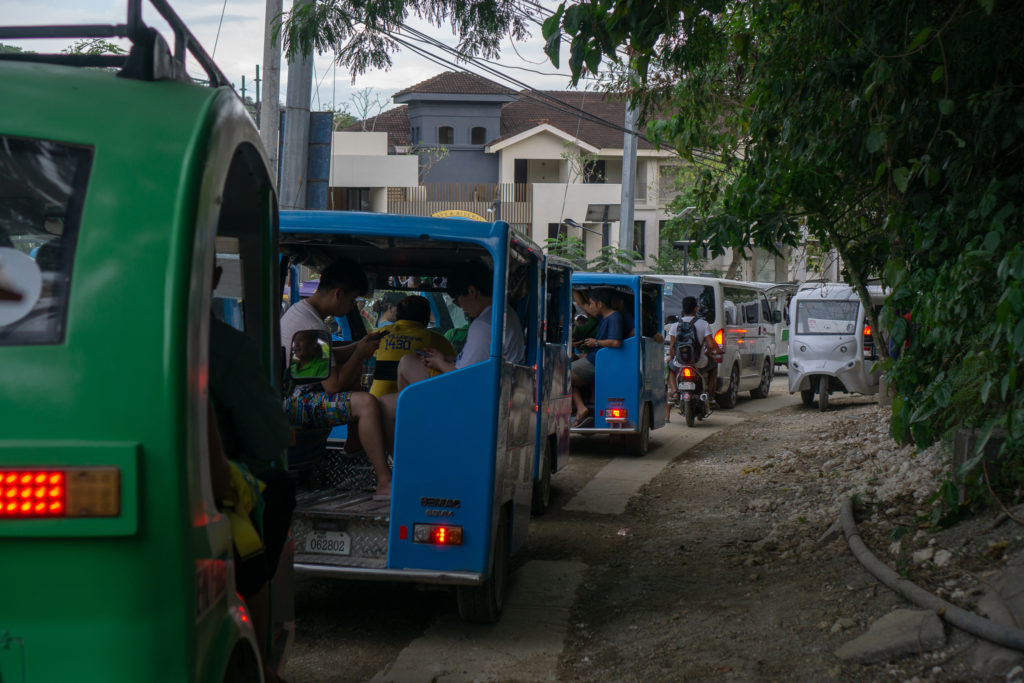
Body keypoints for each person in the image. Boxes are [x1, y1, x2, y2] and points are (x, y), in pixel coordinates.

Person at [209, 263, 293, 683]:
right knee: (272, 497)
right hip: (201, 492)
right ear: (211, 276)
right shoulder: (221, 348)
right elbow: (268, 443)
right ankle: (261, 659)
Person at [279, 257, 392, 500]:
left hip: (293, 394)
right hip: (295, 404)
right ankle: (384, 481)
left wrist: (357, 346)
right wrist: (360, 354)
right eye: (352, 301)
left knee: (354, 374)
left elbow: (327, 357)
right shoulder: (311, 326)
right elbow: (333, 385)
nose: (352, 307)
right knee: (367, 403)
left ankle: (353, 444)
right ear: (338, 294)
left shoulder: (301, 313)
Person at [377, 261, 524, 445]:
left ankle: (400, 457)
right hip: (487, 394)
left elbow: (465, 378)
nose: (460, 306)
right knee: (408, 361)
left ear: (472, 292)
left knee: (384, 402)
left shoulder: (484, 326)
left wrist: (440, 363)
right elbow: (478, 364)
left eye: (457, 299)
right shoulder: (503, 315)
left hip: (471, 402)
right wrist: (445, 358)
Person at [369, 295, 455, 397]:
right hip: (410, 402)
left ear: (398, 315)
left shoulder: (380, 333)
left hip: (376, 399)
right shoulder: (436, 339)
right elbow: (456, 368)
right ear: (427, 318)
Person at [571, 287, 626, 427]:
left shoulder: (614, 318)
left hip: (597, 361)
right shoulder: (604, 317)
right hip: (594, 358)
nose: (589, 306)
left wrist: (595, 342)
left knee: (562, 377)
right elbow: (584, 306)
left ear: (600, 304)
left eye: (591, 303)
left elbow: (615, 341)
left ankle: (581, 408)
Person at [667, 295, 722, 404]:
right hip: (699, 363)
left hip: (679, 363)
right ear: (696, 309)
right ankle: (710, 394)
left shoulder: (674, 326)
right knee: (714, 366)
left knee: (669, 367)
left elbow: (672, 347)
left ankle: (674, 391)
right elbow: (711, 345)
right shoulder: (703, 324)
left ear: (682, 309)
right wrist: (717, 351)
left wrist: (671, 357)